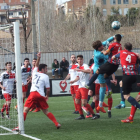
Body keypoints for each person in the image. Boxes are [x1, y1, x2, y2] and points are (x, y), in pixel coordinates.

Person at [13, 53, 61, 131]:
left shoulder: (34, 72)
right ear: (42, 69)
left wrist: (38, 58)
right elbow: (48, 89)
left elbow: (36, 65)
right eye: (46, 68)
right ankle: (56, 123)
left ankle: (19, 127)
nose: (47, 70)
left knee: (25, 110)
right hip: (41, 95)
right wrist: (47, 96)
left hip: (33, 94)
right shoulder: (45, 76)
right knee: (46, 111)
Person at [86, 34, 122, 99]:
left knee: (106, 77)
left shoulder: (99, 46)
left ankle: (108, 91)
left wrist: (114, 37)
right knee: (102, 85)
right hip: (98, 67)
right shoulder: (98, 54)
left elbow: (107, 41)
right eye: (101, 46)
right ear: (98, 48)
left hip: (105, 66)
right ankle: (101, 100)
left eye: (102, 45)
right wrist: (110, 51)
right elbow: (107, 56)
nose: (103, 46)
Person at [112, 42, 140, 123]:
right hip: (134, 76)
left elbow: (113, 57)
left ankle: (123, 102)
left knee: (126, 96)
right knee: (136, 99)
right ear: (131, 48)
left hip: (127, 76)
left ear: (124, 47)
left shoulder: (121, 52)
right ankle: (130, 118)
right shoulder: (135, 55)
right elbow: (137, 66)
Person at [70, 55, 96, 120]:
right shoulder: (78, 67)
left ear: (83, 60)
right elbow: (78, 77)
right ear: (77, 60)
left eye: (81, 59)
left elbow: (89, 71)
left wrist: (80, 69)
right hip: (80, 86)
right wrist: (73, 81)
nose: (80, 60)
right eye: (78, 59)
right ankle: (81, 115)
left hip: (85, 86)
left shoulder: (85, 66)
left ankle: (93, 114)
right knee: (77, 101)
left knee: (84, 103)